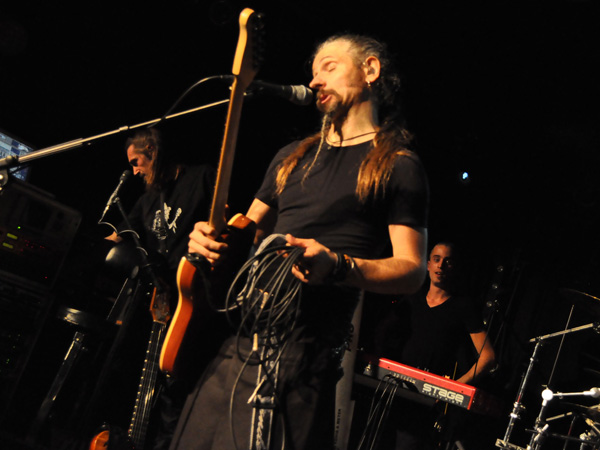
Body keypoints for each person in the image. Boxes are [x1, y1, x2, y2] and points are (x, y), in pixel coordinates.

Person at [169, 33, 430, 450]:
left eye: (329, 67)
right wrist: (209, 242)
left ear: (370, 70)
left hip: (303, 355)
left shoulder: (398, 166)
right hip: (238, 343)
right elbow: (244, 233)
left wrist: (339, 266)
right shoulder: (292, 155)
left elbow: (413, 271)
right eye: (312, 73)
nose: (315, 81)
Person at [103, 127, 216, 450]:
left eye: (137, 161)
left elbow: (222, 226)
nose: (134, 170)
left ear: (153, 151)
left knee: (176, 386)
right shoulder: (148, 198)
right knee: (137, 378)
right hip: (156, 302)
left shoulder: (202, 178)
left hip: (194, 300)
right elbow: (124, 235)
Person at [371, 241, 496, 450]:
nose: (441, 266)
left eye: (447, 262)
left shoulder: (462, 307)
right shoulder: (412, 297)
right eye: (437, 260)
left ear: (454, 268)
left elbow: (488, 358)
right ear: (428, 264)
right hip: (391, 388)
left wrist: (451, 390)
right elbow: (381, 331)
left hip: (425, 399)